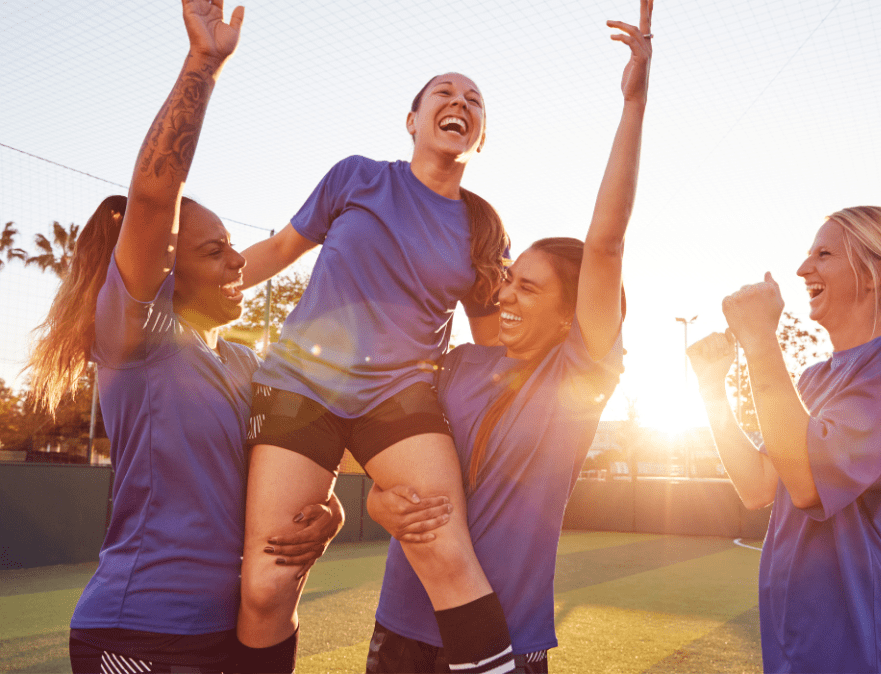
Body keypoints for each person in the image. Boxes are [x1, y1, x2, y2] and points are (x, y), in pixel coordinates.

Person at [26, 3, 342, 672]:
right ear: (166, 270)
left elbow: (283, 462)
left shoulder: (238, 360)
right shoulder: (137, 342)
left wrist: (329, 510)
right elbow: (151, 198)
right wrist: (204, 64)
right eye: (217, 250)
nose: (237, 262)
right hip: (138, 633)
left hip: (231, 634)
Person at [362, 2, 652, 671]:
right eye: (508, 279)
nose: (506, 293)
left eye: (529, 286)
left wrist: (633, 104)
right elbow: (382, 458)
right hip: (401, 627)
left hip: (503, 640)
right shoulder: (457, 364)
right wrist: (380, 503)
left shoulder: (580, 373)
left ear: (570, 313)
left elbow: (604, 244)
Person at [232, 25, 517, 674]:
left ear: (480, 137)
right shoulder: (356, 177)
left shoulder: (482, 225)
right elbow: (277, 253)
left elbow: (494, 343)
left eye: (474, 101)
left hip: (400, 397)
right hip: (300, 385)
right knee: (266, 582)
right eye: (444, 93)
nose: (460, 102)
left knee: (444, 546)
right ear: (413, 119)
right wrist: (179, 300)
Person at [686, 206, 881, 674]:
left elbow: (809, 483)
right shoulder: (813, 379)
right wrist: (712, 388)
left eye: (824, 253)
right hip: (799, 648)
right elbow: (757, 486)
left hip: (863, 652)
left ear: (877, 272)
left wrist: (759, 340)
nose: (802, 269)